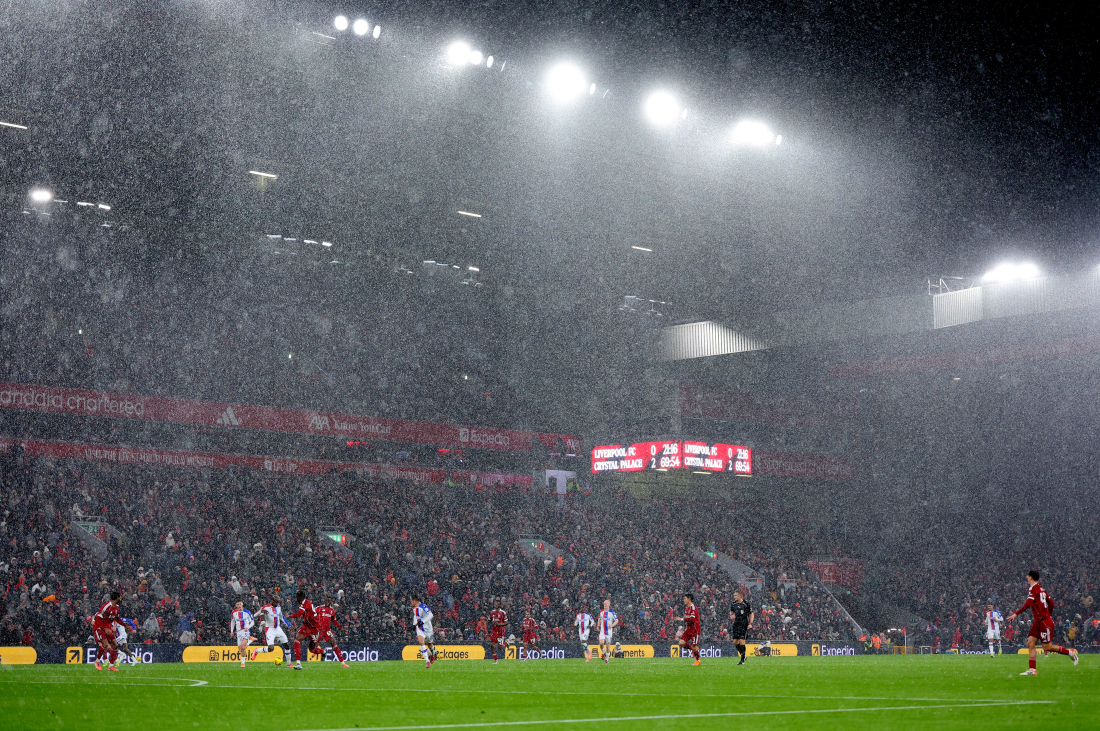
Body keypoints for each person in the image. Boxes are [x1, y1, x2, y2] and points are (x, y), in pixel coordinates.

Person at [1005, 570, 1079, 675]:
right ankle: (1032, 670)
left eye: (1027, 576)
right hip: (1038, 621)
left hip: (1044, 621)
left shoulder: (1034, 589)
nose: (1026, 577)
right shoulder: (1041, 589)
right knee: (1031, 643)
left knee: (1047, 647)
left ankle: (1070, 652)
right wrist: (1048, 613)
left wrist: (1015, 614)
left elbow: (1029, 603)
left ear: (1030, 577)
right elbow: (1051, 603)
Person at [250, 596, 293, 667]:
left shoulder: (279, 607)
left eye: (278, 602)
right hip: (269, 629)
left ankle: (289, 663)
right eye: (276, 602)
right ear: (272, 601)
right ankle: (257, 651)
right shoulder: (265, 607)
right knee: (271, 648)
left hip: (278, 628)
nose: (277, 604)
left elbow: (282, 617)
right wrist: (261, 611)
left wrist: (289, 625)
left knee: (286, 645)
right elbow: (254, 615)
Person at [92, 591, 127, 671]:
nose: (121, 599)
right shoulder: (106, 606)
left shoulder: (117, 607)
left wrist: (125, 626)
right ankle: (97, 661)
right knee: (104, 644)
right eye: (120, 597)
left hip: (108, 628)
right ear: (117, 598)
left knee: (115, 646)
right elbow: (98, 617)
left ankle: (111, 666)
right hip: (99, 627)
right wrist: (104, 628)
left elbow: (117, 618)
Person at [286, 590, 319, 670]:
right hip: (308, 626)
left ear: (300, 598)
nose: (296, 599)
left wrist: (289, 616)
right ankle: (298, 664)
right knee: (297, 641)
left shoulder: (305, 603)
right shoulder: (306, 603)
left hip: (313, 627)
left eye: (297, 597)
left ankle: (323, 652)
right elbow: (306, 613)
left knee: (311, 649)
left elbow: (298, 614)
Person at [313, 596, 349, 667]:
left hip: (327, 631)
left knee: (334, 644)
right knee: (314, 648)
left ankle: (343, 663)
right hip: (319, 630)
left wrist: (341, 628)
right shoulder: (319, 608)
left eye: (328, 601)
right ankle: (323, 652)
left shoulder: (332, 611)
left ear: (330, 602)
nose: (326, 602)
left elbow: (334, 621)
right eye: (326, 601)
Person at [675, 593, 701, 666]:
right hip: (688, 629)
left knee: (693, 646)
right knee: (681, 643)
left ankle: (698, 660)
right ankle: (694, 649)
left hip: (695, 630)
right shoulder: (687, 609)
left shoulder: (693, 607)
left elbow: (692, 619)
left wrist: (682, 619)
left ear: (689, 599)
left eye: (685, 598)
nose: (684, 600)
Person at [411, 594, 437, 669]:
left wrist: (423, 621)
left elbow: (431, 615)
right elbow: (416, 617)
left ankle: (433, 654)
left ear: (415, 600)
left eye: (411, 600)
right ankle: (427, 661)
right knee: (421, 642)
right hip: (420, 628)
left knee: (430, 645)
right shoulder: (414, 608)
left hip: (428, 628)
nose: (411, 602)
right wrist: (414, 625)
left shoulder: (423, 606)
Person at [729, 590, 754, 666]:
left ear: (740, 596)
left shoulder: (746, 604)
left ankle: (742, 660)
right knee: (735, 642)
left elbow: (751, 613)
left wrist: (750, 623)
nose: (734, 597)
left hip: (743, 625)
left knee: (742, 642)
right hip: (736, 624)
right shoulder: (733, 604)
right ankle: (744, 656)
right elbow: (731, 612)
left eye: (735, 595)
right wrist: (731, 615)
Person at [230, 600, 255, 668]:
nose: (239, 606)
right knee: (241, 649)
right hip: (238, 632)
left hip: (245, 631)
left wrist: (248, 627)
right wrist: (232, 631)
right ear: (236, 606)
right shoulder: (234, 612)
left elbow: (252, 622)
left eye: (240, 604)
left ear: (242, 604)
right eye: (237, 604)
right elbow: (232, 621)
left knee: (243, 646)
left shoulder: (247, 612)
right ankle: (250, 640)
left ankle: (242, 663)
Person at [597, 599, 618, 664]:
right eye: (604, 603)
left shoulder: (612, 613)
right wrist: (598, 625)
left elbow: (617, 620)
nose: (605, 605)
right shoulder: (601, 612)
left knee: (608, 646)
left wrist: (612, 625)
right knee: (601, 643)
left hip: (609, 632)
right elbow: (600, 619)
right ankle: (603, 652)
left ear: (609, 604)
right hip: (602, 631)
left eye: (606, 603)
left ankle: (607, 659)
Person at [489, 598, 508, 664]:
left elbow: (506, 623)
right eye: (495, 603)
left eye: (497, 604)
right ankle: (496, 661)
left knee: (500, 647)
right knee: (492, 645)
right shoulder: (492, 612)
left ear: (500, 605)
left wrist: (499, 624)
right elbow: (490, 619)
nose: (496, 605)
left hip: (500, 630)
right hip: (494, 630)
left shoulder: (502, 612)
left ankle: (506, 642)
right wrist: (487, 621)